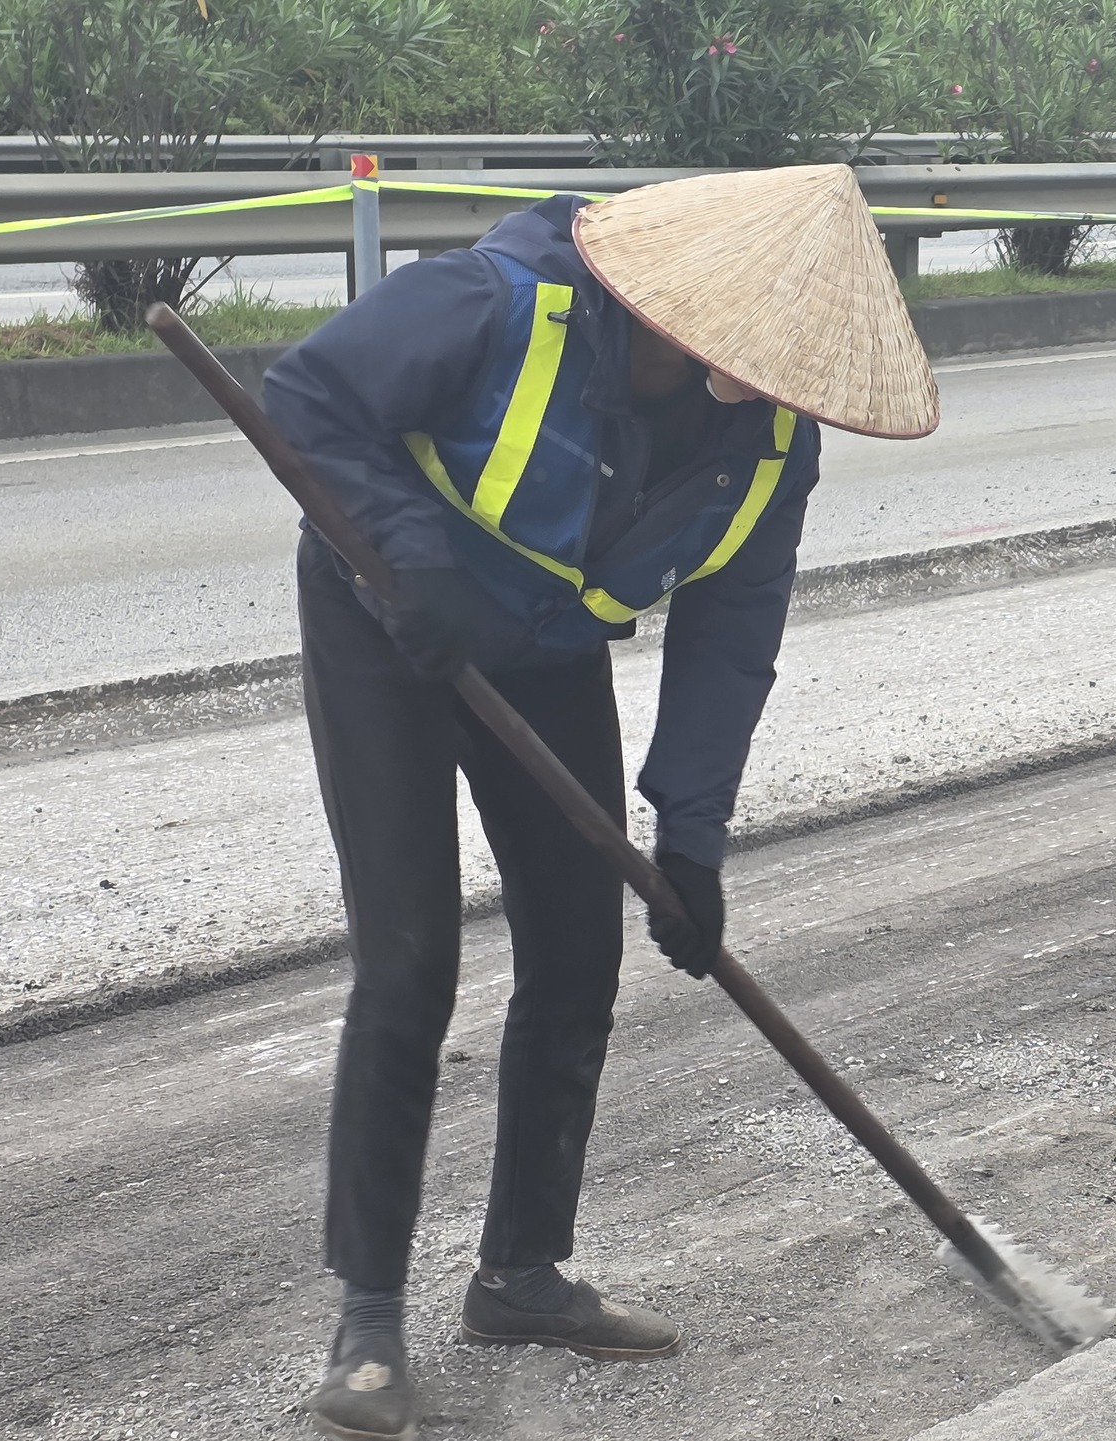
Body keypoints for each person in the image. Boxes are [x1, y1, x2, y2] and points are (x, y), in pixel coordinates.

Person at [264, 166, 938, 1441]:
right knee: (409, 963)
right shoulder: (499, 302)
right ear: (692, 306)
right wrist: (408, 556)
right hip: (385, 619)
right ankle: (366, 1316)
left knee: (579, 953)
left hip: (543, 648)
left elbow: (732, 637)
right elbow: (308, 397)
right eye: (759, 346)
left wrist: (692, 834)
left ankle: (521, 1276)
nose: (777, 378)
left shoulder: (771, 445)